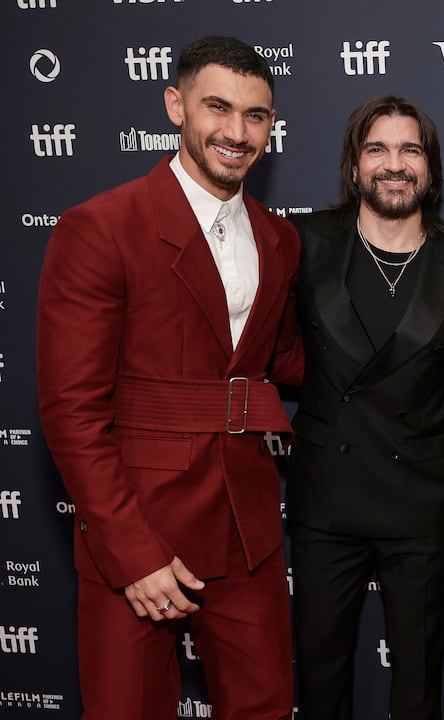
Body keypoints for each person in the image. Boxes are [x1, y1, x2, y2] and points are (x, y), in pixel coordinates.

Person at [35, 36, 302, 720]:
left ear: (271, 126)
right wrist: (133, 552)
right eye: (218, 108)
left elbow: (289, 361)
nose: (236, 132)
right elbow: (72, 412)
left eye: (255, 115)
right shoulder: (101, 227)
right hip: (140, 523)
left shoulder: (279, 238)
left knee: (268, 708)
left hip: (246, 528)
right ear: (175, 105)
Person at [288, 95, 444, 720]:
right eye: (377, 149)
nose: (394, 164)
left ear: (430, 167)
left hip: (419, 502)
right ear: (354, 165)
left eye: (410, 150)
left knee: (418, 686)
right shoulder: (304, 244)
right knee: (320, 680)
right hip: (326, 498)